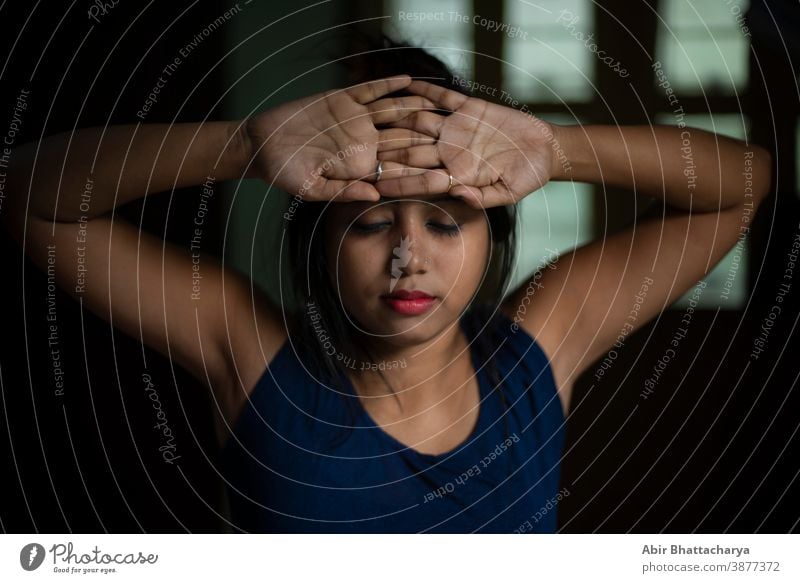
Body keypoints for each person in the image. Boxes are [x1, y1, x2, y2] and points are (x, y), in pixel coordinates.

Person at [2, 37, 771, 533]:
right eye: (370, 223)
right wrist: (243, 145)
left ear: (491, 233)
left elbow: (744, 182)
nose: (409, 255)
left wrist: (557, 148)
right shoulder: (252, 351)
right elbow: (30, 199)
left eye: (444, 221)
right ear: (321, 245)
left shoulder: (541, 345)